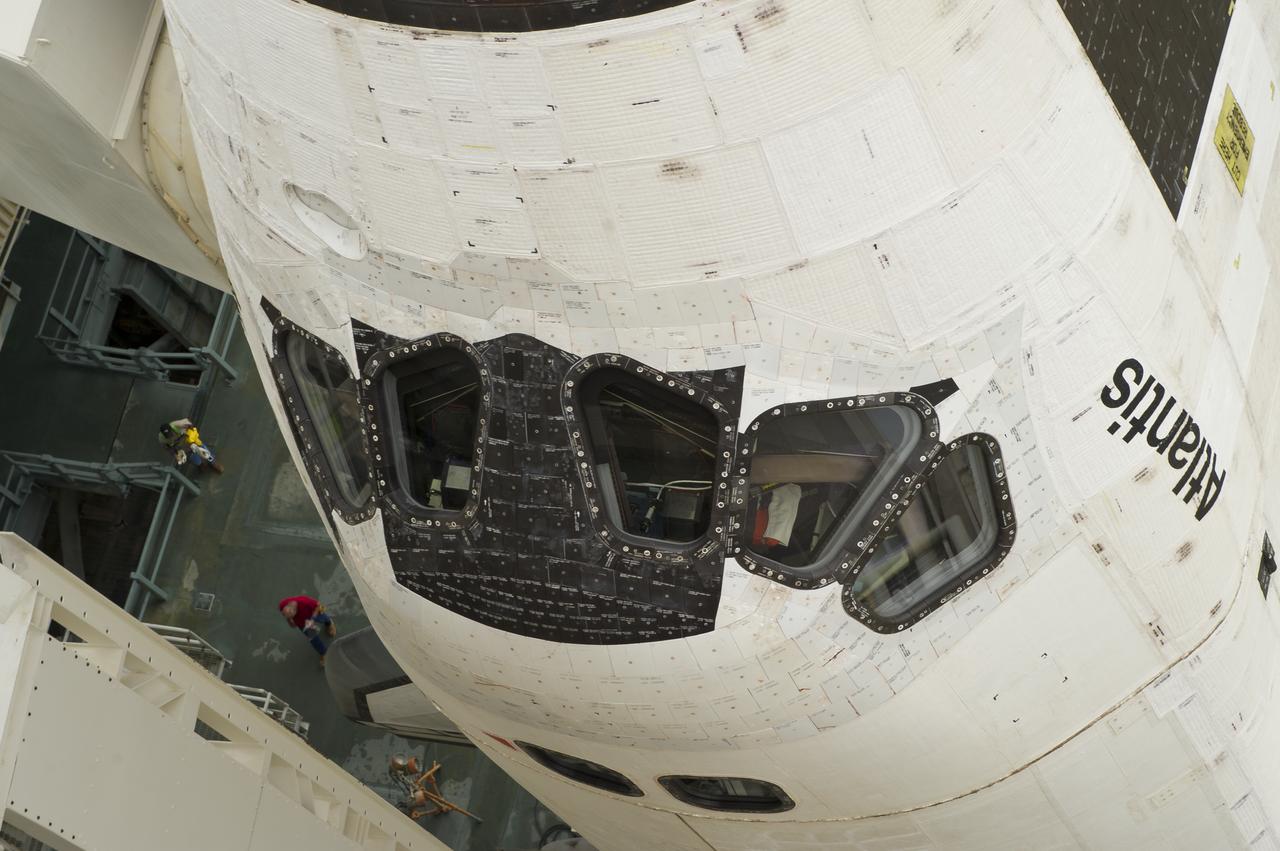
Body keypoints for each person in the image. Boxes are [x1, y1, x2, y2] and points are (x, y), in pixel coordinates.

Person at [278, 595, 337, 665]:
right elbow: (293, 625)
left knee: (323, 618)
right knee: (313, 640)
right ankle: (324, 653)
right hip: (305, 624)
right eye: (287, 616)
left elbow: (318, 605)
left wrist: (313, 619)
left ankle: (329, 624)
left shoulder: (304, 602)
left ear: (292, 609)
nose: (291, 618)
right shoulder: (286, 610)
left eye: (291, 616)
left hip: (314, 613)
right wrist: (289, 620)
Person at [158, 417, 224, 473]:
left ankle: (213, 463)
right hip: (183, 447)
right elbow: (167, 448)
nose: (170, 436)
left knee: (205, 453)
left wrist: (191, 436)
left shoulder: (178, 425)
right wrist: (176, 455)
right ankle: (200, 465)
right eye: (167, 435)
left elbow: (190, 424)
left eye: (170, 433)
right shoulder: (162, 439)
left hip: (192, 442)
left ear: (171, 429)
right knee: (194, 459)